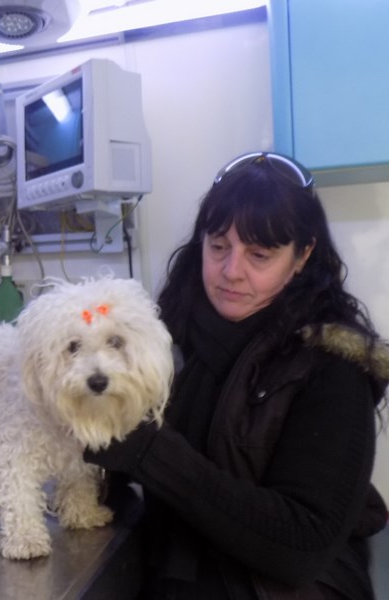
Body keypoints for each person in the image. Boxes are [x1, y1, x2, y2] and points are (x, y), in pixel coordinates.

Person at [82, 152, 389, 599]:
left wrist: (146, 448)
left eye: (259, 254)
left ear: (302, 255)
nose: (231, 272)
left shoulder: (333, 363)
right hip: (179, 571)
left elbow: (301, 546)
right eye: (218, 246)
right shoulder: (168, 333)